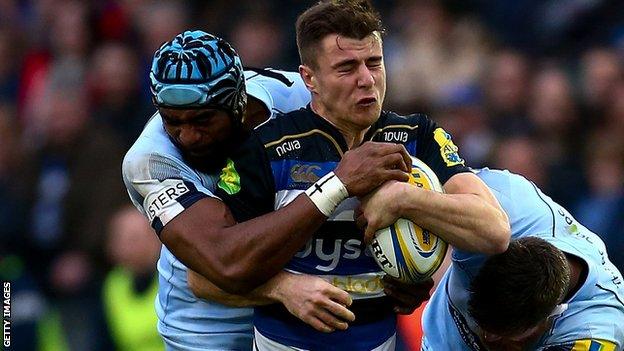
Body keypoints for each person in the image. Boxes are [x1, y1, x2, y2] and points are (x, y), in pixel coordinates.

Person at [208, 1, 510, 349]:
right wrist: (281, 288)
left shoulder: (417, 136)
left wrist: (404, 199)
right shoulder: (265, 147)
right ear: (310, 78)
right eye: (347, 67)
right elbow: (207, 275)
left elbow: (494, 231)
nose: (366, 79)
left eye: (374, 63)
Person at [122, 30, 413, 350]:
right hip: (206, 331)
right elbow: (222, 262)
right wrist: (281, 287)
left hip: (300, 320)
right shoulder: (150, 161)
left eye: (203, 120)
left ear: (238, 103)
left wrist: (405, 266)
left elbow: (375, 158)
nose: (187, 136)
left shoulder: (299, 97)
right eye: (171, 120)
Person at [360, 168, 624, 350]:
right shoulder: (501, 200)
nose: (485, 337)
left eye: (501, 341)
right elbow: (407, 178)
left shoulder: (597, 329)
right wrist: (410, 266)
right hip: (436, 339)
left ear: (550, 318)